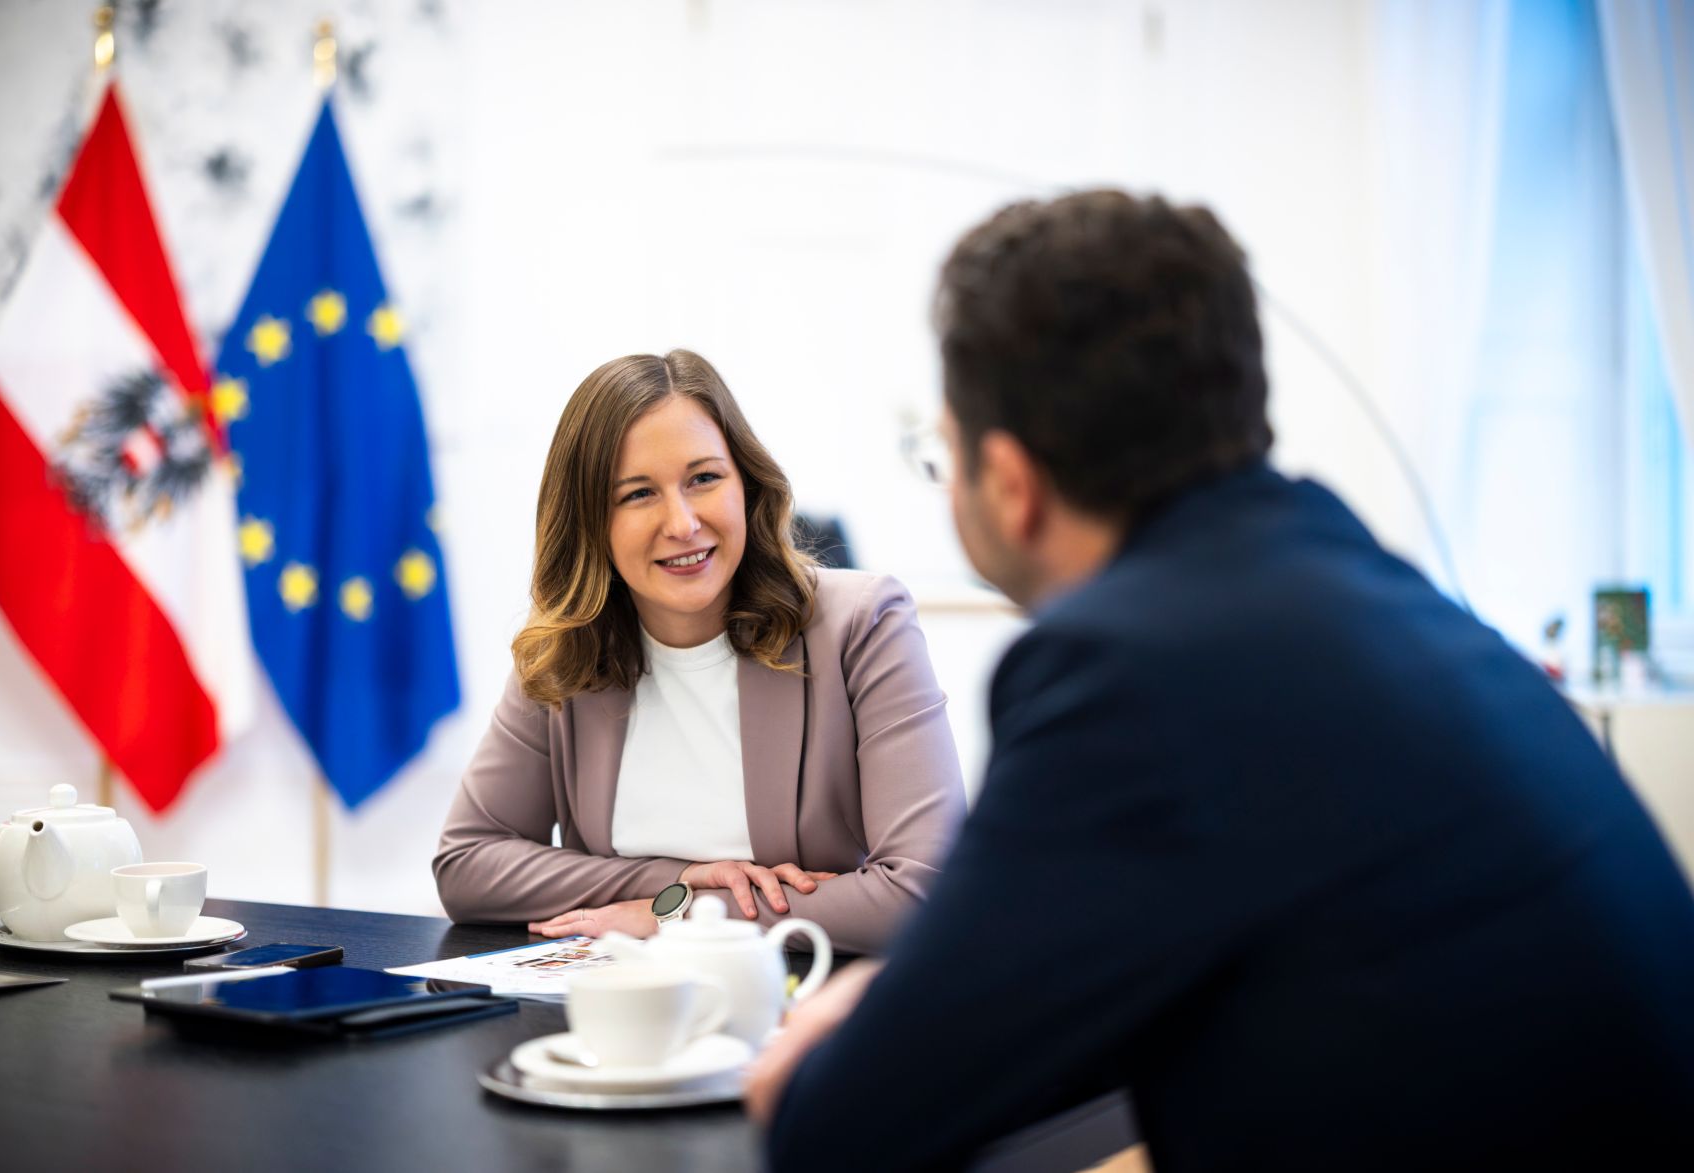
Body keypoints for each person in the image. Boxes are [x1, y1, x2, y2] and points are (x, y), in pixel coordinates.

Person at [747, 191, 1694, 1169]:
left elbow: (841, 1126)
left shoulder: (1128, 669)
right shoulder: (1351, 578)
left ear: (1012, 482)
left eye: (941, 456)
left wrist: (845, 1030)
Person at [433, 350, 965, 955]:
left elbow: (927, 893)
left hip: (812, 1009)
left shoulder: (863, 625)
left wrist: (676, 918)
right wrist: (675, 884)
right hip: (623, 1013)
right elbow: (468, 864)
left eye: (704, 479)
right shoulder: (566, 651)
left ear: (747, 485)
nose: (682, 523)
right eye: (637, 494)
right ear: (589, 522)